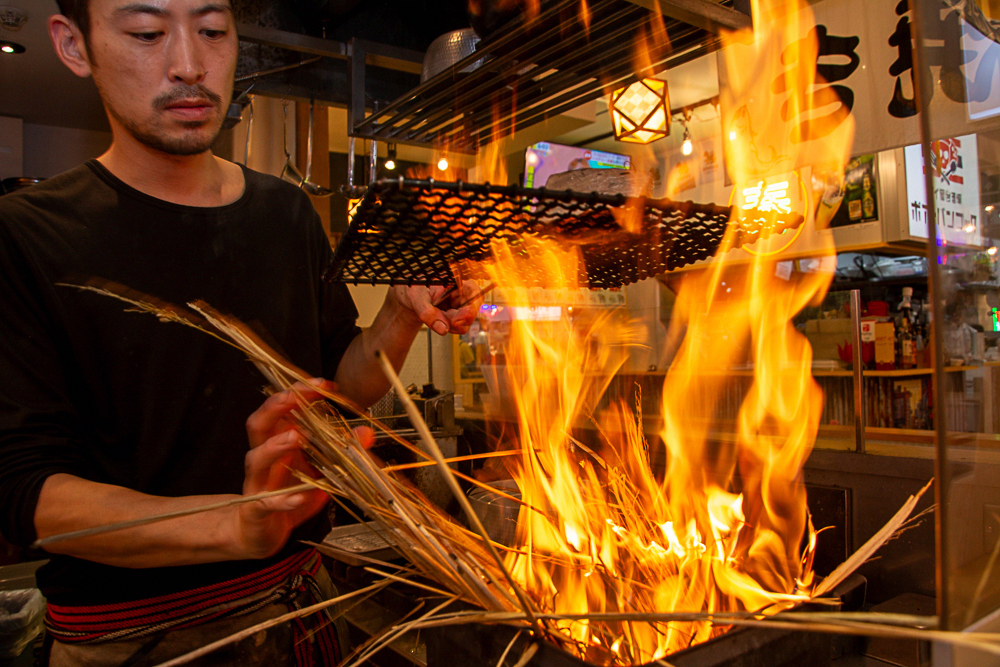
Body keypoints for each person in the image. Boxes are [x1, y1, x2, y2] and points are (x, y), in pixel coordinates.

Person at [0, 0, 477, 664]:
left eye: (213, 31)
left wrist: (400, 314)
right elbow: (25, 489)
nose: (190, 65)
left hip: (303, 608)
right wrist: (234, 525)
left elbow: (337, 387)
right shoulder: (25, 233)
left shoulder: (285, 212)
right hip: (130, 636)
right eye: (146, 33)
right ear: (75, 46)